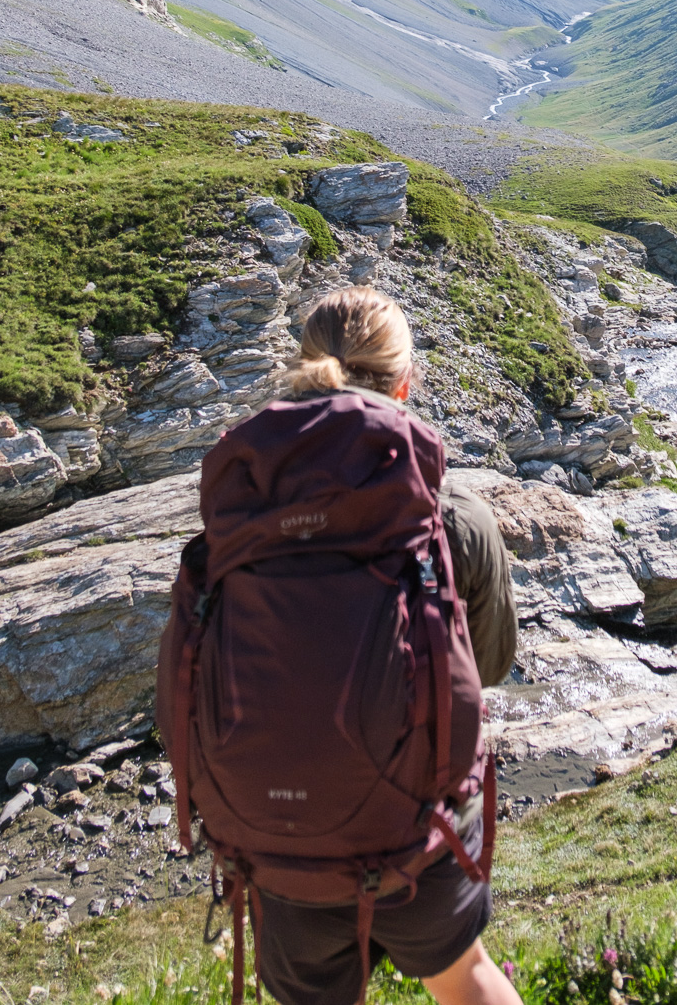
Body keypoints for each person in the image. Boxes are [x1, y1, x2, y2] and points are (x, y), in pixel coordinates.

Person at [250, 286, 523, 1005]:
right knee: (463, 975)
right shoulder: (452, 517)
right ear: (407, 383)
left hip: (276, 822)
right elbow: (487, 667)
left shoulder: (246, 507)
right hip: (416, 820)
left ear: (303, 369)